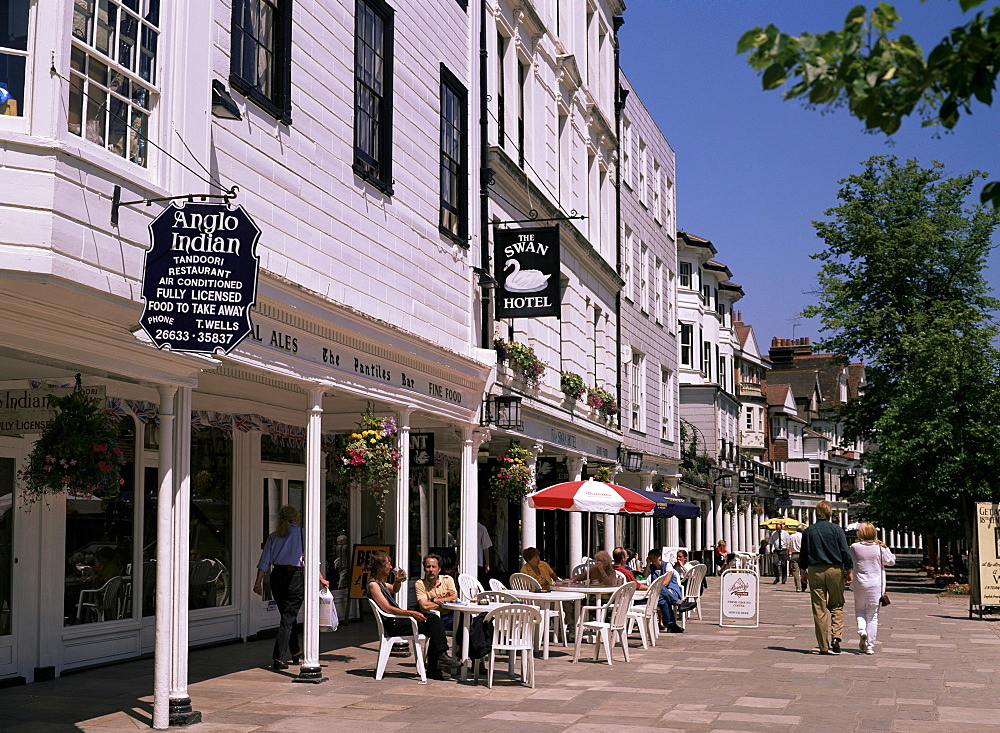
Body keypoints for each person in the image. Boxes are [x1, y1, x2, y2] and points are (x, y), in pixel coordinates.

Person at [253, 505, 329, 670]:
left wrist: (258, 581)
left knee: (288, 616)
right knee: (288, 616)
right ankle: (278, 658)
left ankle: (295, 653)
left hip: (276, 577)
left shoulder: (274, 536)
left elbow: (264, 560)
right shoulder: (302, 533)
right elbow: (311, 558)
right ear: (296, 518)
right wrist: (320, 577)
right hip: (294, 577)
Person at [366, 550, 457, 680]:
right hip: (394, 624)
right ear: (380, 566)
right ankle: (439, 659)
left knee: (435, 624)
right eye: (388, 564)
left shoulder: (380, 583)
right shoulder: (373, 585)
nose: (391, 567)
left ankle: (437, 663)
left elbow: (394, 588)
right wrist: (411, 613)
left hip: (397, 621)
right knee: (434, 623)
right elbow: (387, 609)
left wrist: (398, 580)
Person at [799, 500, 853, 655]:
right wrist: (849, 569)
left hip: (815, 570)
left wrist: (803, 571)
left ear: (816, 513)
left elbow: (803, 554)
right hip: (834, 570)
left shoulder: (809, 531)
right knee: (837, 604)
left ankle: (823, 645)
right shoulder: (836, 530)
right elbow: (844, 551)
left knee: (819, 608)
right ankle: (836, 637)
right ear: (830, 513)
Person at [850, 522, 895, 655]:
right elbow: (891, 561)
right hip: (876, 585)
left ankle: (861, 630)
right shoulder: (879, 548)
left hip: (860, 584)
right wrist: (885, 548)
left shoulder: (854, 547)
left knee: (859, 610)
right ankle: (870, 646)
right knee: (872, 615)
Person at [414, 554, 458, 630]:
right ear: (424, 569)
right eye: (428, 567)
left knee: (466, 620)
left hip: (449, 616)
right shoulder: (420, 584)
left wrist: (433, 600)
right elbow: (424, 606)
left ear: (439, 569)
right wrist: (446, 601)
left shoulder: (447, 580)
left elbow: (454, 598)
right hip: (431, 618)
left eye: (433, 567)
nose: (430, 570)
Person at [645, 549, 685, 633]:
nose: (652, 560)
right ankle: (672, 624)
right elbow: (645, 576)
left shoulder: (667, 566)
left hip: (672, 591)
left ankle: (671, 624)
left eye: (654, 558)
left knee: (660, 590)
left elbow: (666, 583)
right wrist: (648, 564)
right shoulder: (651, 568)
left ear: (659, 557)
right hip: (659, 594)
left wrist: (655, 588)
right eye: (650, 558)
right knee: (662, 600)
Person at [788, 525, 806, 591]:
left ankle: (798, 587)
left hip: (794, 554)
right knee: (803, 571)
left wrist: (789, 554)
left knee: (795, 572)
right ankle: (804, 585)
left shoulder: (791, 536)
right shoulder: (803, 536)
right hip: (802, 554)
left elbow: (789, 546)